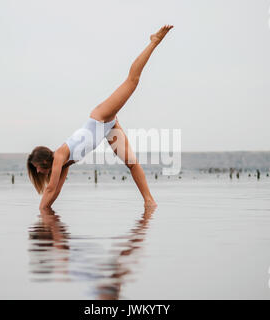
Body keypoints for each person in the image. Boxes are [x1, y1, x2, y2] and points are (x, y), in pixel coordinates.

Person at [27, 25, 174, 211]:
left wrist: (40, 211)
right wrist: (45, 212)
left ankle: (154, 41)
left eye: (38, 167)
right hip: (107, 128)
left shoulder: (59, 156)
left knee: (132, 81)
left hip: (100, 117)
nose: (38, 171)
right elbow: (56, 191)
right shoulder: (63, 164)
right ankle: (149, 201)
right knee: (132, 163)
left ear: (44, 160)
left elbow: (50, 188)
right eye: (37, 170)